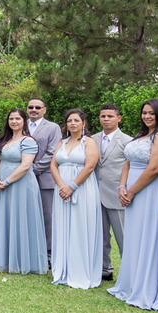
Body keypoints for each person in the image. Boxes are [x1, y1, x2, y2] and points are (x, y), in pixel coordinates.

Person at [109, 99, 158, 312]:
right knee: (134, 236)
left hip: (151, 191)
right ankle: (131, 283)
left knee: (149, 235)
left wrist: (132, 190)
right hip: (130, 190)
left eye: (152, 113)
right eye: (144, 112)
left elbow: (155, 168)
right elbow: (127, 162)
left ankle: (148, 286)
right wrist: (121, 186)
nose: (147, 116)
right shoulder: (140, 136)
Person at [49, 109, 102, 289]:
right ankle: (63, 267)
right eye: (69, 120)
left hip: (82, 187)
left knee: (80, 225)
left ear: (83, 123)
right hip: (61, 187)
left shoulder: (89, 142)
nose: (72, 123)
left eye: (76, 120)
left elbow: (90, 167)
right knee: (63, 225)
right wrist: (61, 185)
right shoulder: (62, 142)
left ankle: (80, 269)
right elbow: (53, 165)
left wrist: (72, 186)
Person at [0, 109, 47, 275]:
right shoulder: (3, 140)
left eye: (17, 118)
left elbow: (25, 165)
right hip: (1, 186)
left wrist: (7, 181)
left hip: (21, 185)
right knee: (7, 219)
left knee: (21, 219)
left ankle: (23, 261)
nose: (14, 121)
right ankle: (7, 260)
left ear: (24, 121)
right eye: (11, 118)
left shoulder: (28, 141)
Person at [93, 104, 130, 281]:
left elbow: (130, 169)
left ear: (119, 118)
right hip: (95, 194)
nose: (106, 119)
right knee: (100, 236)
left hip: (117, 195)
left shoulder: (128, 141)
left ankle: (129, 271)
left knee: (122, 235)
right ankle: (104, 269)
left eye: (110, 116)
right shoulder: (92, 140)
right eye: (103, 116)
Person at [26, 97, 62, 264]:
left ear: (44, 110)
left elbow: (52, 152)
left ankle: (48, 254)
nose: (34, 110)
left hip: (44, 178)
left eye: (37, 107)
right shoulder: (20, 124)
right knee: (27, 215)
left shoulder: (53, 128)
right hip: (22, 180)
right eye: (31, 107)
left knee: (47, 217)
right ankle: (29, 250)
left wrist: (32, 169)